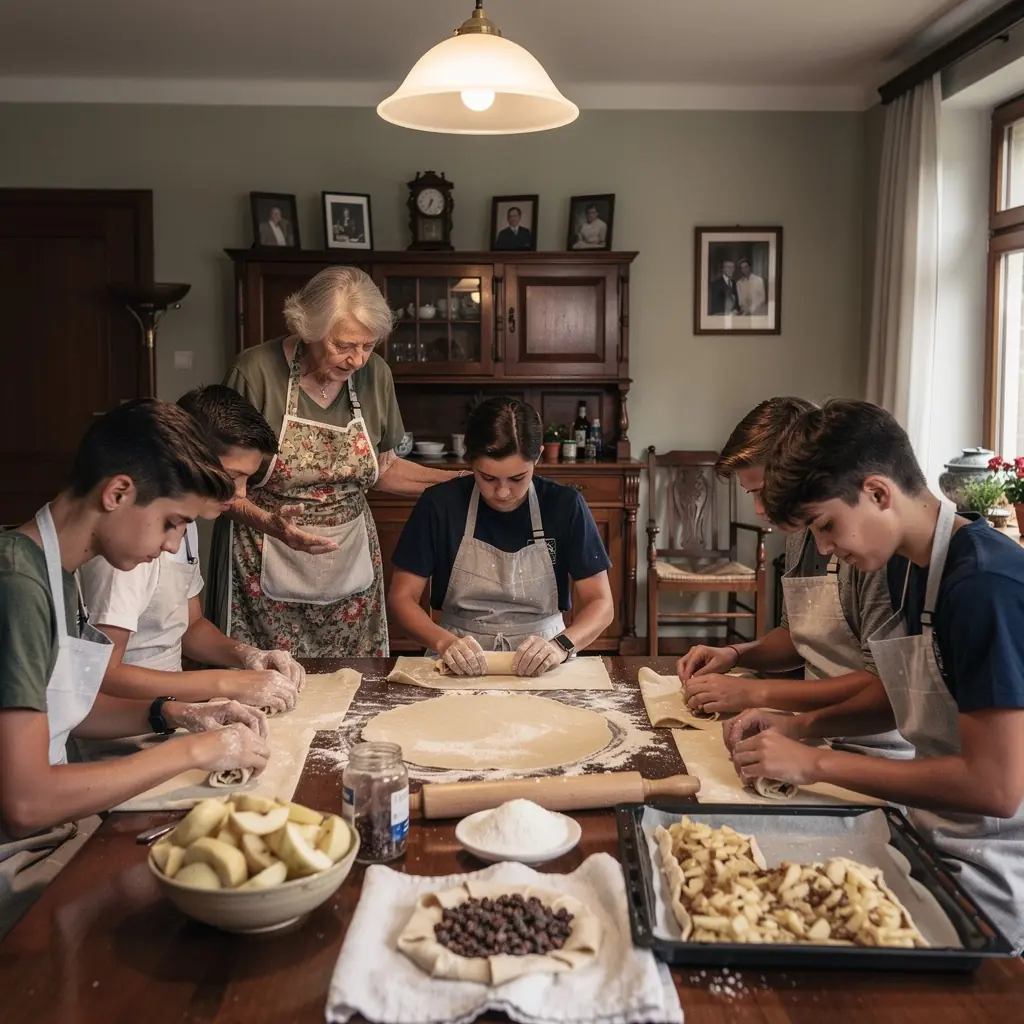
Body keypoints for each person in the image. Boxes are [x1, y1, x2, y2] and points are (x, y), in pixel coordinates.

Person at [726, 399, 1024, 952]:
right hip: (931, 839)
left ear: (879, 492)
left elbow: (998, 787)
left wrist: (815, 762)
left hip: (991, 878)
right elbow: (907, 695)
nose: (824, 547)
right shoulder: (914, 567)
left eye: (828, 526)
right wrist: (801, 726)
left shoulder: (984, 585)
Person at [0, 400, 269, 939]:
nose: (173, 543)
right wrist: (191, 751)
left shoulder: (55, 568)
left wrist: (177, 714)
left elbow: (68, 711)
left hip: (45, 834)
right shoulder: (18, 585)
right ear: (118, 492)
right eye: (171, 523)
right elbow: (26, 800)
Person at [206, 267, 458, 658]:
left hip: (349, 566)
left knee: (354, 688)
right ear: (308, 329)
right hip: (263, 559)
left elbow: (383, 469)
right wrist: (273, 524)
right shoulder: (255, 372)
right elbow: (223, 486)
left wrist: (463, 481)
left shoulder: (376, 375)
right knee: (267, 691)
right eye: (344, 346)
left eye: (368, 346)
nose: (357, 359)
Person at [678, 398, 911, 759]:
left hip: (872, 746)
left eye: (762, 490)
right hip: (811, 727)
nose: (759, 509)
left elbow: (883, 687)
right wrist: (735, 654)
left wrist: (757, 693)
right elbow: (795, 638)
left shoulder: (873, 550)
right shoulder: (801, 535)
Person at [79, 386, 304, 710]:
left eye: (247, 480)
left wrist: (248, 655)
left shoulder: (186, 526)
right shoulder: (130, 542)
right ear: (192, 455)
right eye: (233, 475)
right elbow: (104, 675)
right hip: (126, 722)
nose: (241, 493)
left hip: (172, 711)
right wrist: (224, 683)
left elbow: (191, 627)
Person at [388, 397, 614, 676]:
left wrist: (561, 646)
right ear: (469, 460)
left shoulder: (564, 505)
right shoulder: (440, 505)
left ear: (538, 457)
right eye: (488, 478)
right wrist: (444, 643)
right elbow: (402, 598)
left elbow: (601, 603)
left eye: (518, 478)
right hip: (456, 659)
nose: (503, 493)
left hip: (546, 659)